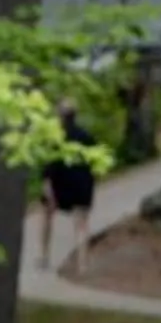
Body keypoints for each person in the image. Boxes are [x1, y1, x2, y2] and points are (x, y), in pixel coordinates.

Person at [39, 99, 98, 274]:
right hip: (81, 185)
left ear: (60, 115)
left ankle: (44, 256)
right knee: (81, 224)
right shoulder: (87, 137)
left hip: (59, 184)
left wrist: (46, 183)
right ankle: (83, 264)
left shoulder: (55, 138)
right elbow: (95, 163)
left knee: (46, 217)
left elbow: (49, 164)